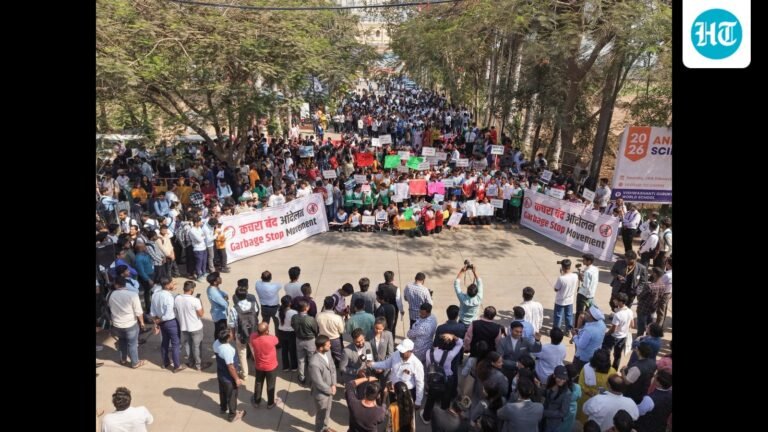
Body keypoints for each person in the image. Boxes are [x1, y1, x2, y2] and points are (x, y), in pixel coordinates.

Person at [368, 339, 425, 410]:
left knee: (404, 411)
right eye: (400, 351)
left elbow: (420, 383)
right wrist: (372, 364)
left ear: (410, 351)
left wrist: (418, 402)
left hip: (406, 393)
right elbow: (386, 364)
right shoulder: (396, 354)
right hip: (393, 389)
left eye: (403, 351)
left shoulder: (417, 364)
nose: (400, 353)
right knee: (393, 409)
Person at [421, 334, 464, 424]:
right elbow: (460, 343)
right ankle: (444, 417)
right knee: (446, 398)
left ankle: (426, 417)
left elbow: (428, 366)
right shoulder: (450, 355)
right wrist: (454, 336)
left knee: (430, 399)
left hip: (433, 379)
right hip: (447, 380)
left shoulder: (429, 352)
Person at [108, 276, 147, 369]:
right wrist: (142, 323)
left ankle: (123, 360)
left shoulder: (111, 295)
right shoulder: (132, 295)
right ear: (125, 284)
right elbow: (139, 311)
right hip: (130, 324)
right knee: (132, 344)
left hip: (117, 324)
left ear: (116, 284)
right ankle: (135, 363)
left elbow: (109, 307)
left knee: (121, 342)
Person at [173, 281, 211, 371]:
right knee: (197, 346)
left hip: (184, 326)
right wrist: (200, 303)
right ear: (192, 290)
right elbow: (201, 314)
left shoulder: (177, 298)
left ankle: (190, 361)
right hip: (196, 327)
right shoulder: (195, 300)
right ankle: (199, 365)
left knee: (188, 345)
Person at [150, 277, 185, 373]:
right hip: (170, 322)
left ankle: (165, 362)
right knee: (175, 343)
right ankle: (177, 366)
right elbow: (168, 313)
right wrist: (160, 320)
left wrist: (156, 322)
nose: (173, 284)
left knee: (165, 342)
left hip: (161, 323)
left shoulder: (155, 295)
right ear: (167, 285)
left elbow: (152, 311)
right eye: (171, 283)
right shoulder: (168, 296)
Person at [228, 281, 259, 380]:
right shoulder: (254, 304)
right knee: (256, 352)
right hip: (254, 333)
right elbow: (256, 314)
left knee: (242, 353)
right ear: (246, 295)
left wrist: (232, 334)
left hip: (240, 334)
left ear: (236, 296)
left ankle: (245, 374)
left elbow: (232, 324)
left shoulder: (233, 309)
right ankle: (259, 371)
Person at [576, 349, 617, 424]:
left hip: (594, 399)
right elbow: (581, 384)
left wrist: (592, 394)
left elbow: (581, 384)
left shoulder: (612, 372)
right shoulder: (587, 368)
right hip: (592, 400)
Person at [213, 328, 246, 422]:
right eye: (230, 334)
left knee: (222, 391)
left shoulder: (216, 342)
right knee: (232, 395)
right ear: (227, 339)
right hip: (228, 377)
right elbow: (231, 367)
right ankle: (232, 415)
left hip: (221, 372)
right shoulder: (227, 350)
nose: (232, 334)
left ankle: (223, 408)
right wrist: (236, 379)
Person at [249, 322, 282, 409]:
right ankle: (270, 403)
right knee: (270, 384)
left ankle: (256, 401)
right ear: (267, 331)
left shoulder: (253, 337)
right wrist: (267, 333)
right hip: (271, 366)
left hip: (259, 365)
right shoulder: (272, 339)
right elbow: (277, 340)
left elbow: (252, 339)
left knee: (258, 382)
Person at [309, 335, 337, 432]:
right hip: (321, 395)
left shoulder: (328, 352)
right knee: (321, 416)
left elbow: (332, 368)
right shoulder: (314, 363)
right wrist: (330, 390)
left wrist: (334, 384)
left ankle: (325, 428)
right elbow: (318, 382)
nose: (330, 346)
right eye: (328, 345)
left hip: (330, 390)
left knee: (327, 412)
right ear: (321, 347)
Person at [602, 293, 635, 370]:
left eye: (616, 300)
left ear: (620, 302)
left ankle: (605, 368)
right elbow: (632, 325)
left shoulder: (618, 315)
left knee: (606, 352)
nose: (614, 301)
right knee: (617, 355)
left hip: (614, 337)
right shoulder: (630, 311)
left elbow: (613, 329)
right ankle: (614, 369)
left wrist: (606, 334)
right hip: (623, 337)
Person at [572, 306, 608, 372]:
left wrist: (574, 336)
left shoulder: (588, 331)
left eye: (587, 313)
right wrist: (580, 331)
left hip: (583, 358)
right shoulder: (602, 324)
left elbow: (581, 345)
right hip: (594, 356)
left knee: (576, 373)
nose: (585, 313)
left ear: (591, 317)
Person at [292, 300, 319, 385]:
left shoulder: (294, 317)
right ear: (306, 308)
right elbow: (316, 330)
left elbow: (293, 326)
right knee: (311, 360)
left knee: (301, 359)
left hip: (299, 340)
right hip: (310, 341)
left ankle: (302, 377)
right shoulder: (310, 319)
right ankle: (312, 379)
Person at [542, 365, 573, 432]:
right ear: (554, 376)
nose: (562, 381)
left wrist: (544, 412)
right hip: (542, 417)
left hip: (552, 422)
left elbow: (563, 413)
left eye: (564, 379)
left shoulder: (567, 393)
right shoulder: (550, 380)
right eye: (560, 378)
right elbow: (546, 393)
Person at [553, 259, 578, 337]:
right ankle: (568, 331)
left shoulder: (561, 278)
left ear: (562, 267)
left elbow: (556, 289)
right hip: (570, 300)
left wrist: (562, 275)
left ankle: (556, 331)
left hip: (560, 301)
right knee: (569, 316)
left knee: (558, 316)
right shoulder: (575, 276)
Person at [576, 254, 599, 328]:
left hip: (583, 295)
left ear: (589, 261)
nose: (582, 261)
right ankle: (584, 326)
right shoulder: (595, 269)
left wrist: (581, 278)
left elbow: (585, 285)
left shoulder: (587, 272)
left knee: (580, 312)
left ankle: (577, 327)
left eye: (584, 260)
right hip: (591, 295)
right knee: (587, 313)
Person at [277, 295, 298, 372]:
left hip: (281, 332)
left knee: (284, 350)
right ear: (290, 303)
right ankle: (294, 367)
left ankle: (285, 367)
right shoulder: (293, 312)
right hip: (291, 333)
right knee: (292, 350)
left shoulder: (279, 311)